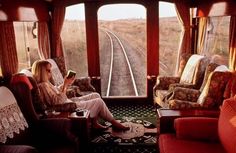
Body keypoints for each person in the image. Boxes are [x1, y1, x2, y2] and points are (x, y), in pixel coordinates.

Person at [32, 59, 129, 131]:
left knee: (95, 95)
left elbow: (57, 91)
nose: (50, 73)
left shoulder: (46, 83)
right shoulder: (43, 86)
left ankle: (94, 123)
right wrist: (65, 85)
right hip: (67, 106)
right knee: (98, 102)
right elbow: (58, 101)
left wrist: (66, 83)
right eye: (48, 70)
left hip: (68, 102)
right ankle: (114, 123)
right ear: (41, 72)